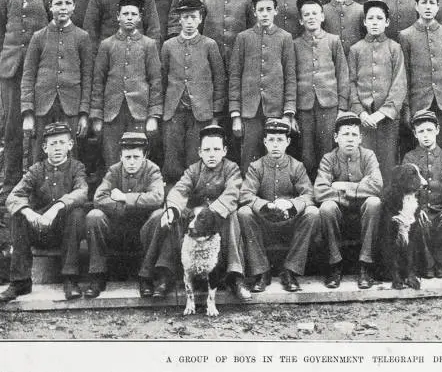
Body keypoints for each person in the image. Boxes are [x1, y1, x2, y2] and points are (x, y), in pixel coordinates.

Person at [146, 124, 250, 300]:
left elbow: (233, 192)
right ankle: (166, 273)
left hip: (219, 218)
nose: (211, 154)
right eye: (207, 150)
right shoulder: (193, 170)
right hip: (197, 219)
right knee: (176, 216)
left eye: (216, 149)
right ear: (200, 152)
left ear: (224, 151)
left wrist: (212, 211)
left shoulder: (231, 168)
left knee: (232, 215)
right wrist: (172, 209)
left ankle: (235, 276)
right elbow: (180, 190)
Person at [0, 123, 88, 302]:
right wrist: (30, 213)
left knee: (76, 214)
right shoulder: (37, 169)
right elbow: (14, 196)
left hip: (65, 231)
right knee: (19, 215)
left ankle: (70, 278)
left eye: (62, 142)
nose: (58, 148)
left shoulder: (77, 168)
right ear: (45, 148)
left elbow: (82, 192)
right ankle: (20, 281)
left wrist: (57, 207)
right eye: (53, 144)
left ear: (70, 145)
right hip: (40, 229)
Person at [0, 0, 51, 201]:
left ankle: (37, 188)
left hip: (39, 74)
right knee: (12, 130)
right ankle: (10, 188)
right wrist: (5, 63)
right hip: (11, 72)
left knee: (38, 129)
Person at [238, 119, 320, 293]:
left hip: (289, 220)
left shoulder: (296, 167)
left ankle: (289, 270)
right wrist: (264, 205)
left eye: (280, 140)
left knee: (312, 213)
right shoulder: (256, 167)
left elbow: (308, 194)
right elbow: (245, 194)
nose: (276, 145)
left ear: (288, 142)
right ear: (265, 142)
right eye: (272, 140)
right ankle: (261, 271)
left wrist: (291, 204)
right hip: (265, 221)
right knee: (244, 212)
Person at [84, 132, 164, 298]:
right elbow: (99, 198)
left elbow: (157, 198)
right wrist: (128, 207)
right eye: (127, 157)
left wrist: (124, 198)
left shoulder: (152, 170)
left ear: (145, 155)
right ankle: (98, 276)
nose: (132, 162)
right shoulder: (114, 171)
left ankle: (146, 276)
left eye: (136, 156)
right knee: (94, 216)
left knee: (158, 215)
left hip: (143, 229)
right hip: (117, 228)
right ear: (120, 156)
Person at [21, 0, 93, 162]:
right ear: (50, 6)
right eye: (58, 3)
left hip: (71, 107)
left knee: (70, 154)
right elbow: (28, 76)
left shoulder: (82, 37)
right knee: (40, 153)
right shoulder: (39, 37)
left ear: (74, 6)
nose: (63, 8)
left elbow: (87, 77)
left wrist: (83, 114)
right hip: (43, 106)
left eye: (68, 3)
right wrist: (28, 113)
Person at [89, 0, 163, 168]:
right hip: (112, 112)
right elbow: (98, 81)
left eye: (134, 14)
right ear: (118, 17)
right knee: (112, 157)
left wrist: (153, 115)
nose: (129, 18)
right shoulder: (107, 45)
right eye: (125, 14)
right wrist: (97, 116)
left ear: (139, 18)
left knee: (137, 156)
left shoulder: (148, 44)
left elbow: (156, 81)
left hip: (138, 111)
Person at [228, 0, 297, 174]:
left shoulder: (285, 38)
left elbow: (290, 77)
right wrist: (236, 115)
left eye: (269, 9)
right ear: (254, 12)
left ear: (276, 11)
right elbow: (235, 77)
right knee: (249, 156)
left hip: (276, 109)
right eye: (261, 10)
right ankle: (247, 197)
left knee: (275, 155)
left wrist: (288, 113)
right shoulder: (243, 38)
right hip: (250, 111)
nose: (265, 13)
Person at [160, 0, 226, 183]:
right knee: (172, 157)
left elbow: (219, 79)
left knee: (195, 157)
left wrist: (215, 114)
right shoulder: (169, 46)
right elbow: (162, 79)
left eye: (193, 17)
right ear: (179, 19)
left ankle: (195, 196)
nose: (189, 21)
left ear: (200, 18)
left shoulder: (209, 45)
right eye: (185, 17)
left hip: (201, 113)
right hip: (174, 113)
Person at [314, 112, 383, 289]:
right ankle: (334, 264)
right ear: (336, 137)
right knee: (327, 208)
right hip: (339, 212)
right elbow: (320, 191)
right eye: (345, 134)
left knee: (374, 202)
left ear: (360, 138)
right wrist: (360, 187)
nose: (350, 139)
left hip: (364, 211)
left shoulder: (368, 156)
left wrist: (343, 186)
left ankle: (365, 265)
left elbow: (377, 186)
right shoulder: (329, 159)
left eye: (354, 135)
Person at [348, 0, 407, 183]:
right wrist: (361, 113)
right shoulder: (355, 49)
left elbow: (399, 84)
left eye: (379, 18)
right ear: (364, 21)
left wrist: (382, 113)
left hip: (387, 119)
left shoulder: (394, 48)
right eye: (370, 18)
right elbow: (350, 83)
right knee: (364, 162)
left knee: (387, 163)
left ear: (387, 22)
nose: (374, 22)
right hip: (364, 120)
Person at [294, 0, 349, 178]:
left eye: (315, 13)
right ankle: (309, 192)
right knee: (306, 152)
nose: (311, 17)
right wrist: (292, 112)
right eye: (306, 14)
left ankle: (326, 190)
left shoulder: (333, 40)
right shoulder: (294, 44)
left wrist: (342, 107)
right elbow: (290, 77)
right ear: (301, 20)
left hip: (329, 105)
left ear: (322, 16)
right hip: (304, 106)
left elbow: (342, 74)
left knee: (327, 149)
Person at [398, 0, 442, 154]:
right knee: (419, 148)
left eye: (432, 3)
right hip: (419, 102)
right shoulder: (406, 35)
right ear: (416, 5)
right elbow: (405, 76)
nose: (428, 7)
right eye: (424, 2)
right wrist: (407, 108)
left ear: (438, 7)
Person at [402, 110, 442, 278]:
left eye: (429, 130)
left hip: (440, 209)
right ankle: (427, 264)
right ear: (415, 134)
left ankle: (441, 261)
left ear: (437, 130)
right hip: (421, 209)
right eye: (421, 131)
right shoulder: (409, 157)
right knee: (418, 222)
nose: (426, 135)